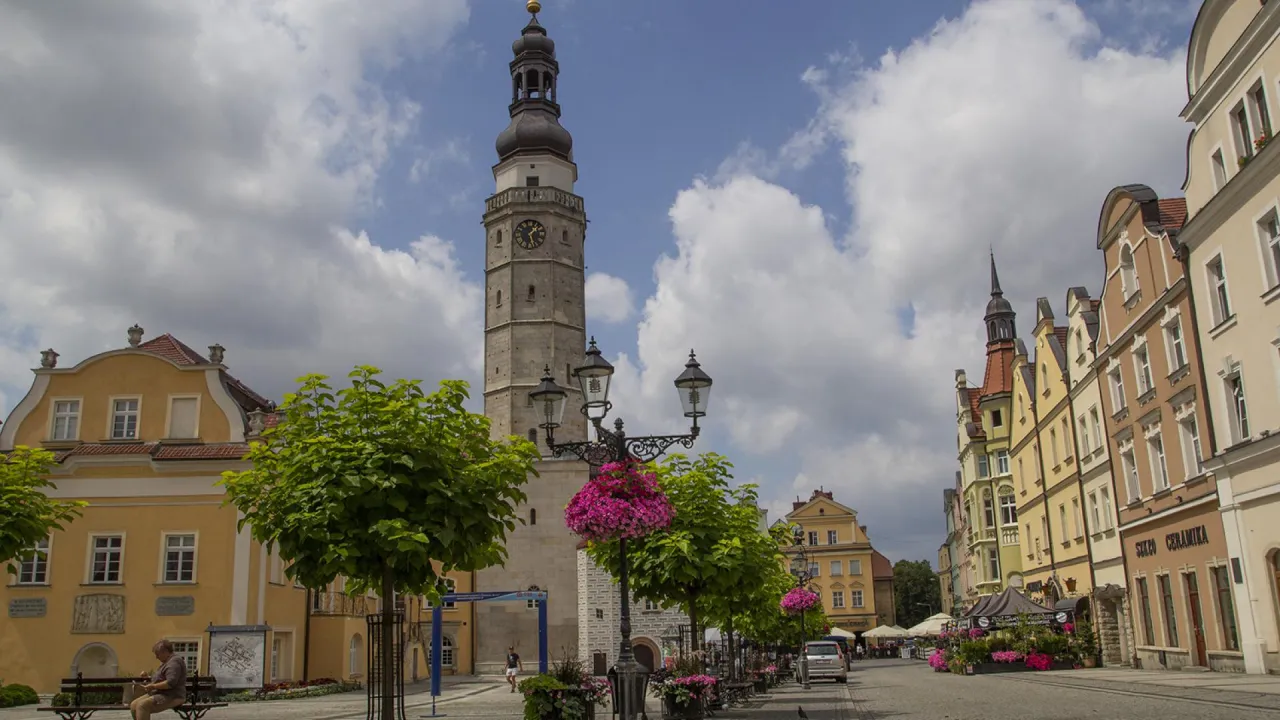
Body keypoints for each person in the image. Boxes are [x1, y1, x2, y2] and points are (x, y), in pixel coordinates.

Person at [130, 640, 188, 720]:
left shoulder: (174, 662)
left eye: (157, 654)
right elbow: (161, 678)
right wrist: (148, 677)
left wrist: (153, 686)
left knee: (142, 705)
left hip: (173, 695)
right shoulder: (166, 662)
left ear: (165, 652)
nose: (156, 657)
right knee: (133, 705)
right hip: (161, 693)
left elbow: (170, 683)